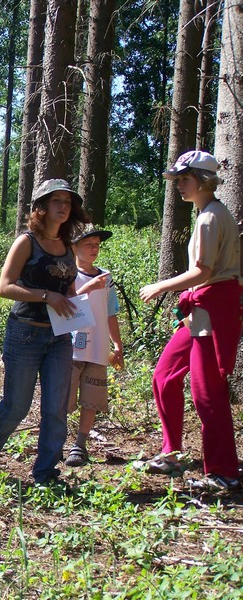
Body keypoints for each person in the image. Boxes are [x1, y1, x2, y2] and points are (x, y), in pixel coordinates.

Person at [0, 179, 90, 485]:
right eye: (56, 201)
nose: (63, 207)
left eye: (67, 202)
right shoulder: (27, 242)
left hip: (59, 338)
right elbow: (5, 287)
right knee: (17, 404)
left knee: (56, 408)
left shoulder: (68, 246)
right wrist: (45, 295)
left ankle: (46, 473)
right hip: (25, 334)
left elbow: (69, 288)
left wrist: (82, 308)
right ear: (41, 207)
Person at [139, 150, 241, 491]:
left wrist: (160, 286)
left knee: (206, 392)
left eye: (185, 179)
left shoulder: (211, 217)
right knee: (165, 374)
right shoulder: (206, 215)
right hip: (200, 309)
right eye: (178, 179)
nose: (179, 185)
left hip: (212, 311)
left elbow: (204, 272)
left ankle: (224, 473)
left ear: (204, 180)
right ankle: (172, 453)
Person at [64, 226, 124, 467]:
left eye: (97, 244)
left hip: (98, 348)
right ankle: (55, 442)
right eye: (89, 244)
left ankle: (80, 445)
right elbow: (64, 306)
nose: (94, 249)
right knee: (63, 396)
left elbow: (111, 313)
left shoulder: (106, 278)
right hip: (69, 347)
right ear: (74, 247)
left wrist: (117, 344)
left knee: (92, 396)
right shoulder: (68, 276)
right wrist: (86, 289)